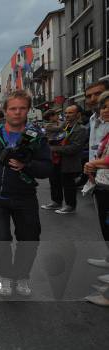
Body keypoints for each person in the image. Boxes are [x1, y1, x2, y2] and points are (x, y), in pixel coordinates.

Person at [0, 90, 52, 297]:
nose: (17, 112)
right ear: (5, 111)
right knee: (1, 238)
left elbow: (46, 169)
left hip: (24, 196)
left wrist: (26, 165)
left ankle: (22, 276)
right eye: (13, 108)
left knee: (29, 238)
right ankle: (5, 275)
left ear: (28, 110)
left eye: (22, 108)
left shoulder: (36, 136)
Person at [83, 90, 109, 306]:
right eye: (104, 106)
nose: (104, 109)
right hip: (101, 182)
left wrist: (97, 163)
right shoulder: (98, 124)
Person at [41, 104, 87, 214]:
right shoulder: (63, 125)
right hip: (56, 159)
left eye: (70, 113)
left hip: (69, 161)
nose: (67, 115)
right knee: (54, 181)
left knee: (68, 184)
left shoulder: (81, 129)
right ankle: (56, 202)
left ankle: (70, 206)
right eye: (66, 113)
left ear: (78, 114)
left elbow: (74, 148)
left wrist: (53, 148)